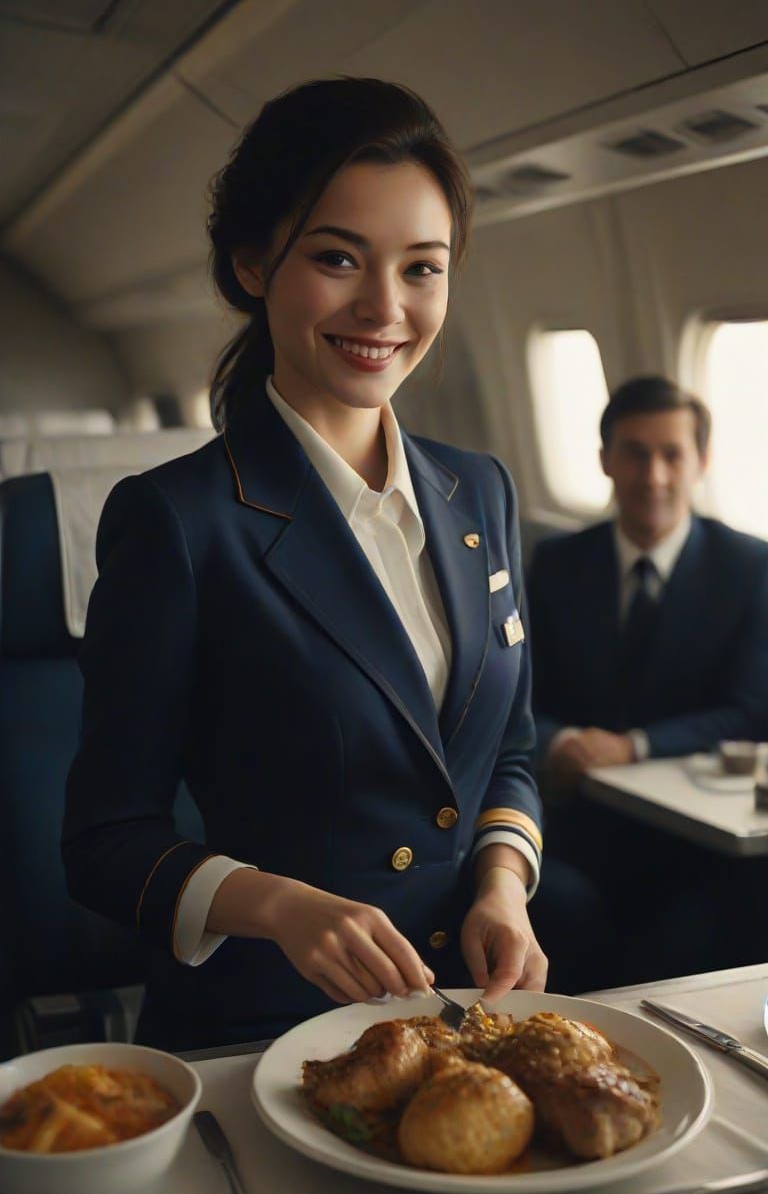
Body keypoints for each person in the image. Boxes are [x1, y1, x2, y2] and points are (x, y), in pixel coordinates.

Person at [62, 78, 600, 1052]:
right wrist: (281, 908)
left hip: (463, 1018)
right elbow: (104, 845)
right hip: (269, 1032)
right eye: (338, 257)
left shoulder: (479, 492)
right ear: (255, 263)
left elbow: (507, 753)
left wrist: (502, 887)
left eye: (423, 268)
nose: (385, 307)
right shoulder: (178, 522)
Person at [527, 375, 768, 979]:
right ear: (606, 460)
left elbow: (750, 710)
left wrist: (633, 746)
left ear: (702, 462)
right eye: (635, 453)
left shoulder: (750, 567)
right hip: (578, 818)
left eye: (672, 455)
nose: (654, 476)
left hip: (697, 836)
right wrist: (559, 742)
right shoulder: (557, 564)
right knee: (565, 905)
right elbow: (516, 696)